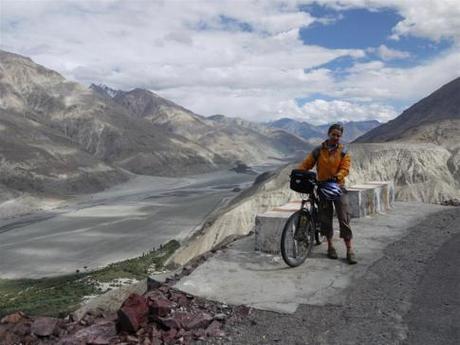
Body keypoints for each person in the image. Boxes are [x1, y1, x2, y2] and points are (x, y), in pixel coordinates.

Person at [297, 123, 357, 264]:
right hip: (322, 187)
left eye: (338, 135)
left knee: (344, 217)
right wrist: (298, 172)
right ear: (328, 134)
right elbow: (307, 163)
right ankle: (330, 247)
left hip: (337, 187)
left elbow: (345, 168)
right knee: (325, 218)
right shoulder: (319, 150)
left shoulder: (344, 151)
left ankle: (349, 249)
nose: (336, 137)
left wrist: (338, 176)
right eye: (333, 134)